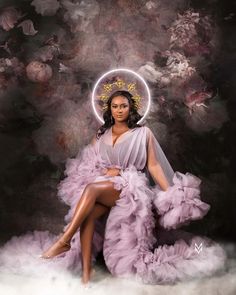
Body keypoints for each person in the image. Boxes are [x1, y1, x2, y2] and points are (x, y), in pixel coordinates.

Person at [0, 90, 226, 286]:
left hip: (131, 188)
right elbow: (90, 162)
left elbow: (154, 165)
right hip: (104, 185)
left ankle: (64, 241)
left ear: (131, 108)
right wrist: (106, 172)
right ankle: (86, 277)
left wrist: (173, 194)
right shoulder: (101, 134)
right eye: (115, 106)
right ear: (109, 109)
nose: (119, 110)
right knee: (88, 213)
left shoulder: (142, 133)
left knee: (90, 190)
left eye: (124, 106)